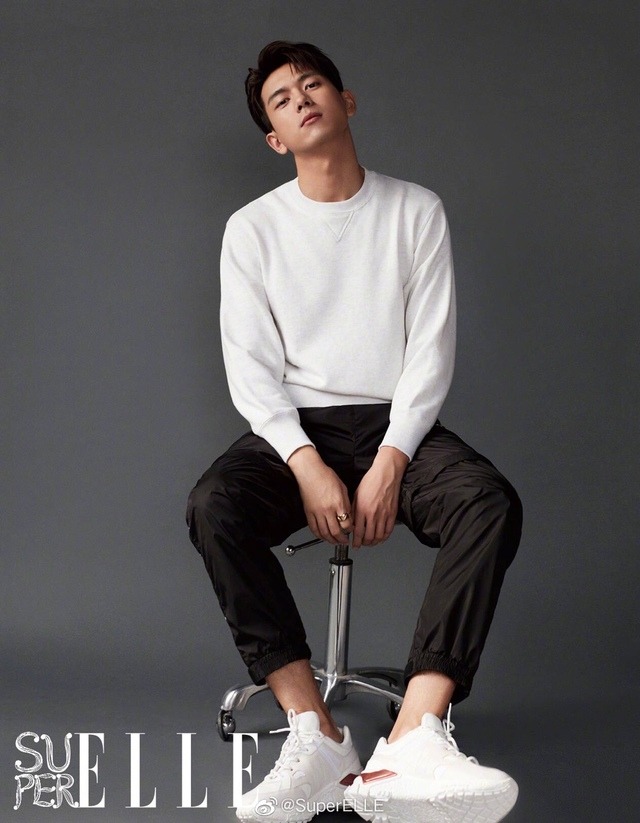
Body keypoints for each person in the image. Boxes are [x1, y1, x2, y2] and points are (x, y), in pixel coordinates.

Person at [186, 40, 523, 823]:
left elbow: (429, 351)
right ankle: (317, 733)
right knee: (214, 504)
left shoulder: (415, 210)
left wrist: (393, 458)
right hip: (294, 430)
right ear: (275, 139)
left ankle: (413, 736)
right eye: (281, 99)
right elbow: (251, 369)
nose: (301, 99)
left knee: (487, 500)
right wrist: (305, 462)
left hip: (395, 420)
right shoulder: (253, 229)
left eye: (313, 85)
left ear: (347, 101)